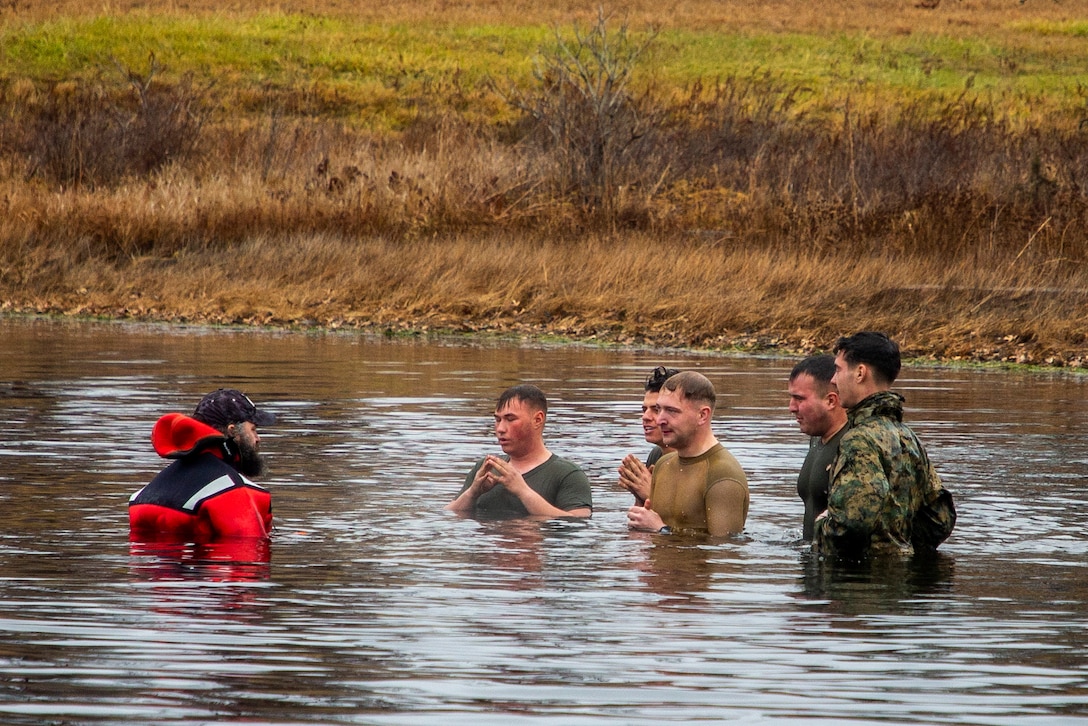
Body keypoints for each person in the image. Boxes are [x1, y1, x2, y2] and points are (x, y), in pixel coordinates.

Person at [814, 332, 956, 558]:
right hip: (901, 583)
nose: (833, 379)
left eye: (838, 369)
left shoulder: (859, 440)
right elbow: (940, 518)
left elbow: (851, 526)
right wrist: (903, 552)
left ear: (860, 373)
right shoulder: (908, 436)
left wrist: (822, 526)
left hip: (859, 583)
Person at [129, 388, 276, 541]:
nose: (257, 438)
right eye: (253, 429)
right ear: (233, 432)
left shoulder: (143, 495)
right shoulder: (232, 491)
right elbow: (248, 553)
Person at [626, 371, 749, 536]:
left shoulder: (722, 474)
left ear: (702, 415)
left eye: (671, 411)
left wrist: (661, 530)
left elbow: (724, 553)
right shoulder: (663, 465)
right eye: (659, 409)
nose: (660, 419)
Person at [446, 384, 592, 518]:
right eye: (498, 420)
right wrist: (472, 492)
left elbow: (579, 522)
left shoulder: (567, 474)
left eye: (510, 419)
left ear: (537, 420)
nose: (500, 429)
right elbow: (448, 516)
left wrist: (522, 491)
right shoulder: (486, 468)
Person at [788, 354, 849, 541]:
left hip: (840, 568)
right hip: (813, 562)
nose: (791, 407)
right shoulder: (817, 438)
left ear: (831, 401)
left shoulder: (854, 445)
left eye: (799, 399)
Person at [617, 365, 681, 506]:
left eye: (656, 409)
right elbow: (640, 519)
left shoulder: (700, 464)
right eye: (644, 409)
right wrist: (639, 496)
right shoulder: (657, 455)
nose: (645, 417)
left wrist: (650, 495)